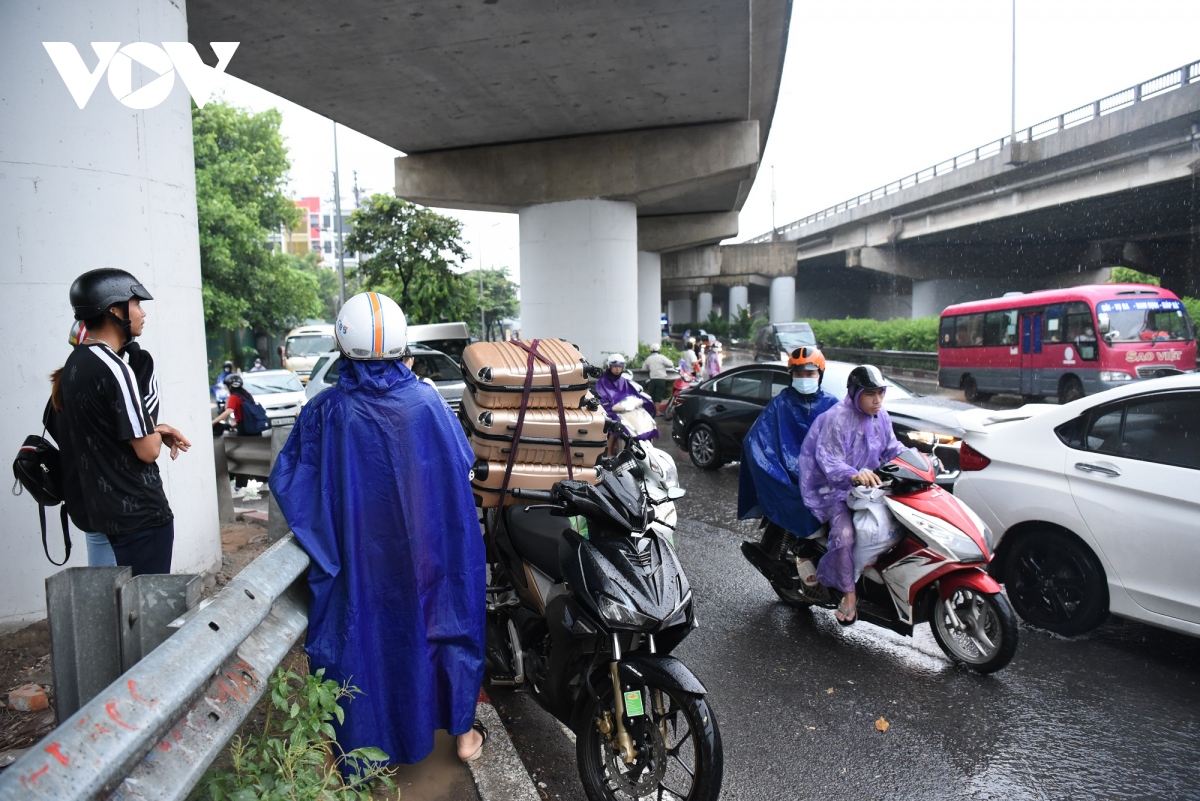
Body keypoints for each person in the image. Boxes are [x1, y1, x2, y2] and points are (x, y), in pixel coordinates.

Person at [269, 291, 487, 767]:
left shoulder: (327, 411)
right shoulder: (429, 403)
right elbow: (461, 468)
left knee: (364, 636)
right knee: (445, 624)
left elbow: (291, 481)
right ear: (402, 346)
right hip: (432, 552)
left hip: (362, 557)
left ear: (344, 346)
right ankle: (464, 735)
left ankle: (365, 754)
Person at [57, 268, 191, 576]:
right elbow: (148, 451)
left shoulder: (76, 363)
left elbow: (105, 433)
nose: (143, 313)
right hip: (140, 517)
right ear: (115, 310)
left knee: (114, 612)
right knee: (147, 613)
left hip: (104, 513)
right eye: (137, 304)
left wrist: (157, 429)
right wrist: (160, 432)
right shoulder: (116, 368)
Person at [799, 365, 906, 625]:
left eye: (881, 393)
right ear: (855, 393)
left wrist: (919, 462)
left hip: (870, 487)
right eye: (870, 394)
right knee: (845, 535)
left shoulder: (881, 416)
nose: (877, 400)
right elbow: (829, 460)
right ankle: (848, 594)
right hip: (833, 488)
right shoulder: (838, 418)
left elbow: (893, 448)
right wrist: (852, 475)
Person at [738, 347, 838, 542]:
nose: (804, 378)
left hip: (827, 472)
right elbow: (755, 442)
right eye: (799, 374)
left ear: (820, 374)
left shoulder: (832, 404)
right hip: (792, 474)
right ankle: (805, 555)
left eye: (810, 373)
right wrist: (780, 473)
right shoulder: (781, 403)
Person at [594, 353, 659, 447]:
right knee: (617, 423)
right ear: (609, 366)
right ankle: (610, 450)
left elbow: (631, 393)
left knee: (640, 415)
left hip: (624, 408)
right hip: (609, 409)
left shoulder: (623, 380)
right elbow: (602, 396)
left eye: (620, 367)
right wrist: (608, 402)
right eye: (615, 367)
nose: (617, 369)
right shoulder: (603, 381)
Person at [642, 343, 674, 407]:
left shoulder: (648, 358)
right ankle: (657, 412)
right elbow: (670, 364)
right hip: (661, 379)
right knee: (658, 396)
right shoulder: (661, 357)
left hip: (652, 379)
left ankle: (653, 411)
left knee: (652, 396)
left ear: (651, 350)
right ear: (659, 350)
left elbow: (643, 369)